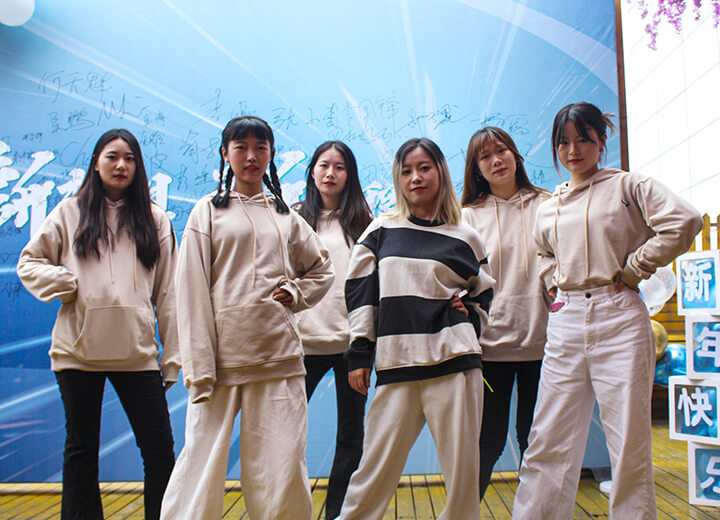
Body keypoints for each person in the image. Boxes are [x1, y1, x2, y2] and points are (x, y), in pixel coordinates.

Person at [512, 102, 703, 519]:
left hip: (619, 315)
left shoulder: (628, 186)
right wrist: (551, 280)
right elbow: (542, 252)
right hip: (566, 319)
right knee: (548, 438)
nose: (573, 150)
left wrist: (636, 267)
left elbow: (686, 221)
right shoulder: (549, 205)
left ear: (602, 140)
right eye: (563, 142)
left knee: (628, 440)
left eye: (583, 139)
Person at [160, 116, 334, 520]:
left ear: (271, 155)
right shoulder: (206, 212)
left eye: (261, 147)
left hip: (279, 358)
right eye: (241, 147)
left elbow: (322, 269)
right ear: (226, 154)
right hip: (221, 365)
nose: (251, 156)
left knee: (282, 467)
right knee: (200, 465)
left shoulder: (285, 216)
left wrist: (296, 293)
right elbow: (190, 292)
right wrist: (199, 368)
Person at [17, 129, 179, 520]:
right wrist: (63, 282)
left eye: (129, 158)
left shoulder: (155, 219)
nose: (121, 165)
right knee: (81, 450)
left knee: (159, 450)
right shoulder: (69, 212)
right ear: (95, 163)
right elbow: (28, 263)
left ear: (138, 167)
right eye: (112, 156)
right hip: (77, 352)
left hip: (137, 353)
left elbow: (169, 294)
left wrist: (173, 359)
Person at [337, 137, 495, 520]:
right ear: (398, 178)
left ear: (440, 171)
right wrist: (360, 353)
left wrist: (471, 316)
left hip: (455, 363)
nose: (416, 178)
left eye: (424, 168)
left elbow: (485, 294)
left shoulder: (466, 236)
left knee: (462, 476)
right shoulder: (381, 230)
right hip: (397, 364)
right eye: (406, 171)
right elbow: (360, 293)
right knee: (373, 472)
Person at [460, 126, 551, 500]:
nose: (496, 160)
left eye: (502, 151)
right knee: (487, 442)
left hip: (546, 348)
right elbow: (457, 277)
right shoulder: (467, 217)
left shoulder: (549, 204)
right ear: (476, 168)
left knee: (538, 443)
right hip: (489, 351)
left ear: (516, 155)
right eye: (485, 156)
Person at [295, 141, 373, 520]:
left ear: (349, 174)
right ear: (312, 171)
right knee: (287, 434)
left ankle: (336, 513)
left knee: (351, 436)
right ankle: (291, 508)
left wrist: (365, 343)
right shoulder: (293, 219)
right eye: (324, 165)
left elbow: (372, 286)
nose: (330, 173)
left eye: (339, 167)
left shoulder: (365, 223)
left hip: (350, 347)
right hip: (301, 346)